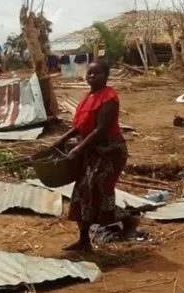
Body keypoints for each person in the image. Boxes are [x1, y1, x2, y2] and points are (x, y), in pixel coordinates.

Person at [53, 60, 139, 252]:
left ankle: (128, 219)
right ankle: (84, 240)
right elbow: (79, 126)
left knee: (100, 194)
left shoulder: (109, 98)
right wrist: (62, 140)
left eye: (96, 73)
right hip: (91, 151)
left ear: (106, 76)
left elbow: (101, 130)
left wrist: (77, 150)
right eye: (89, 74)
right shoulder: (87, 97)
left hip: (110, 152)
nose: (91, 77)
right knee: (82, 192)